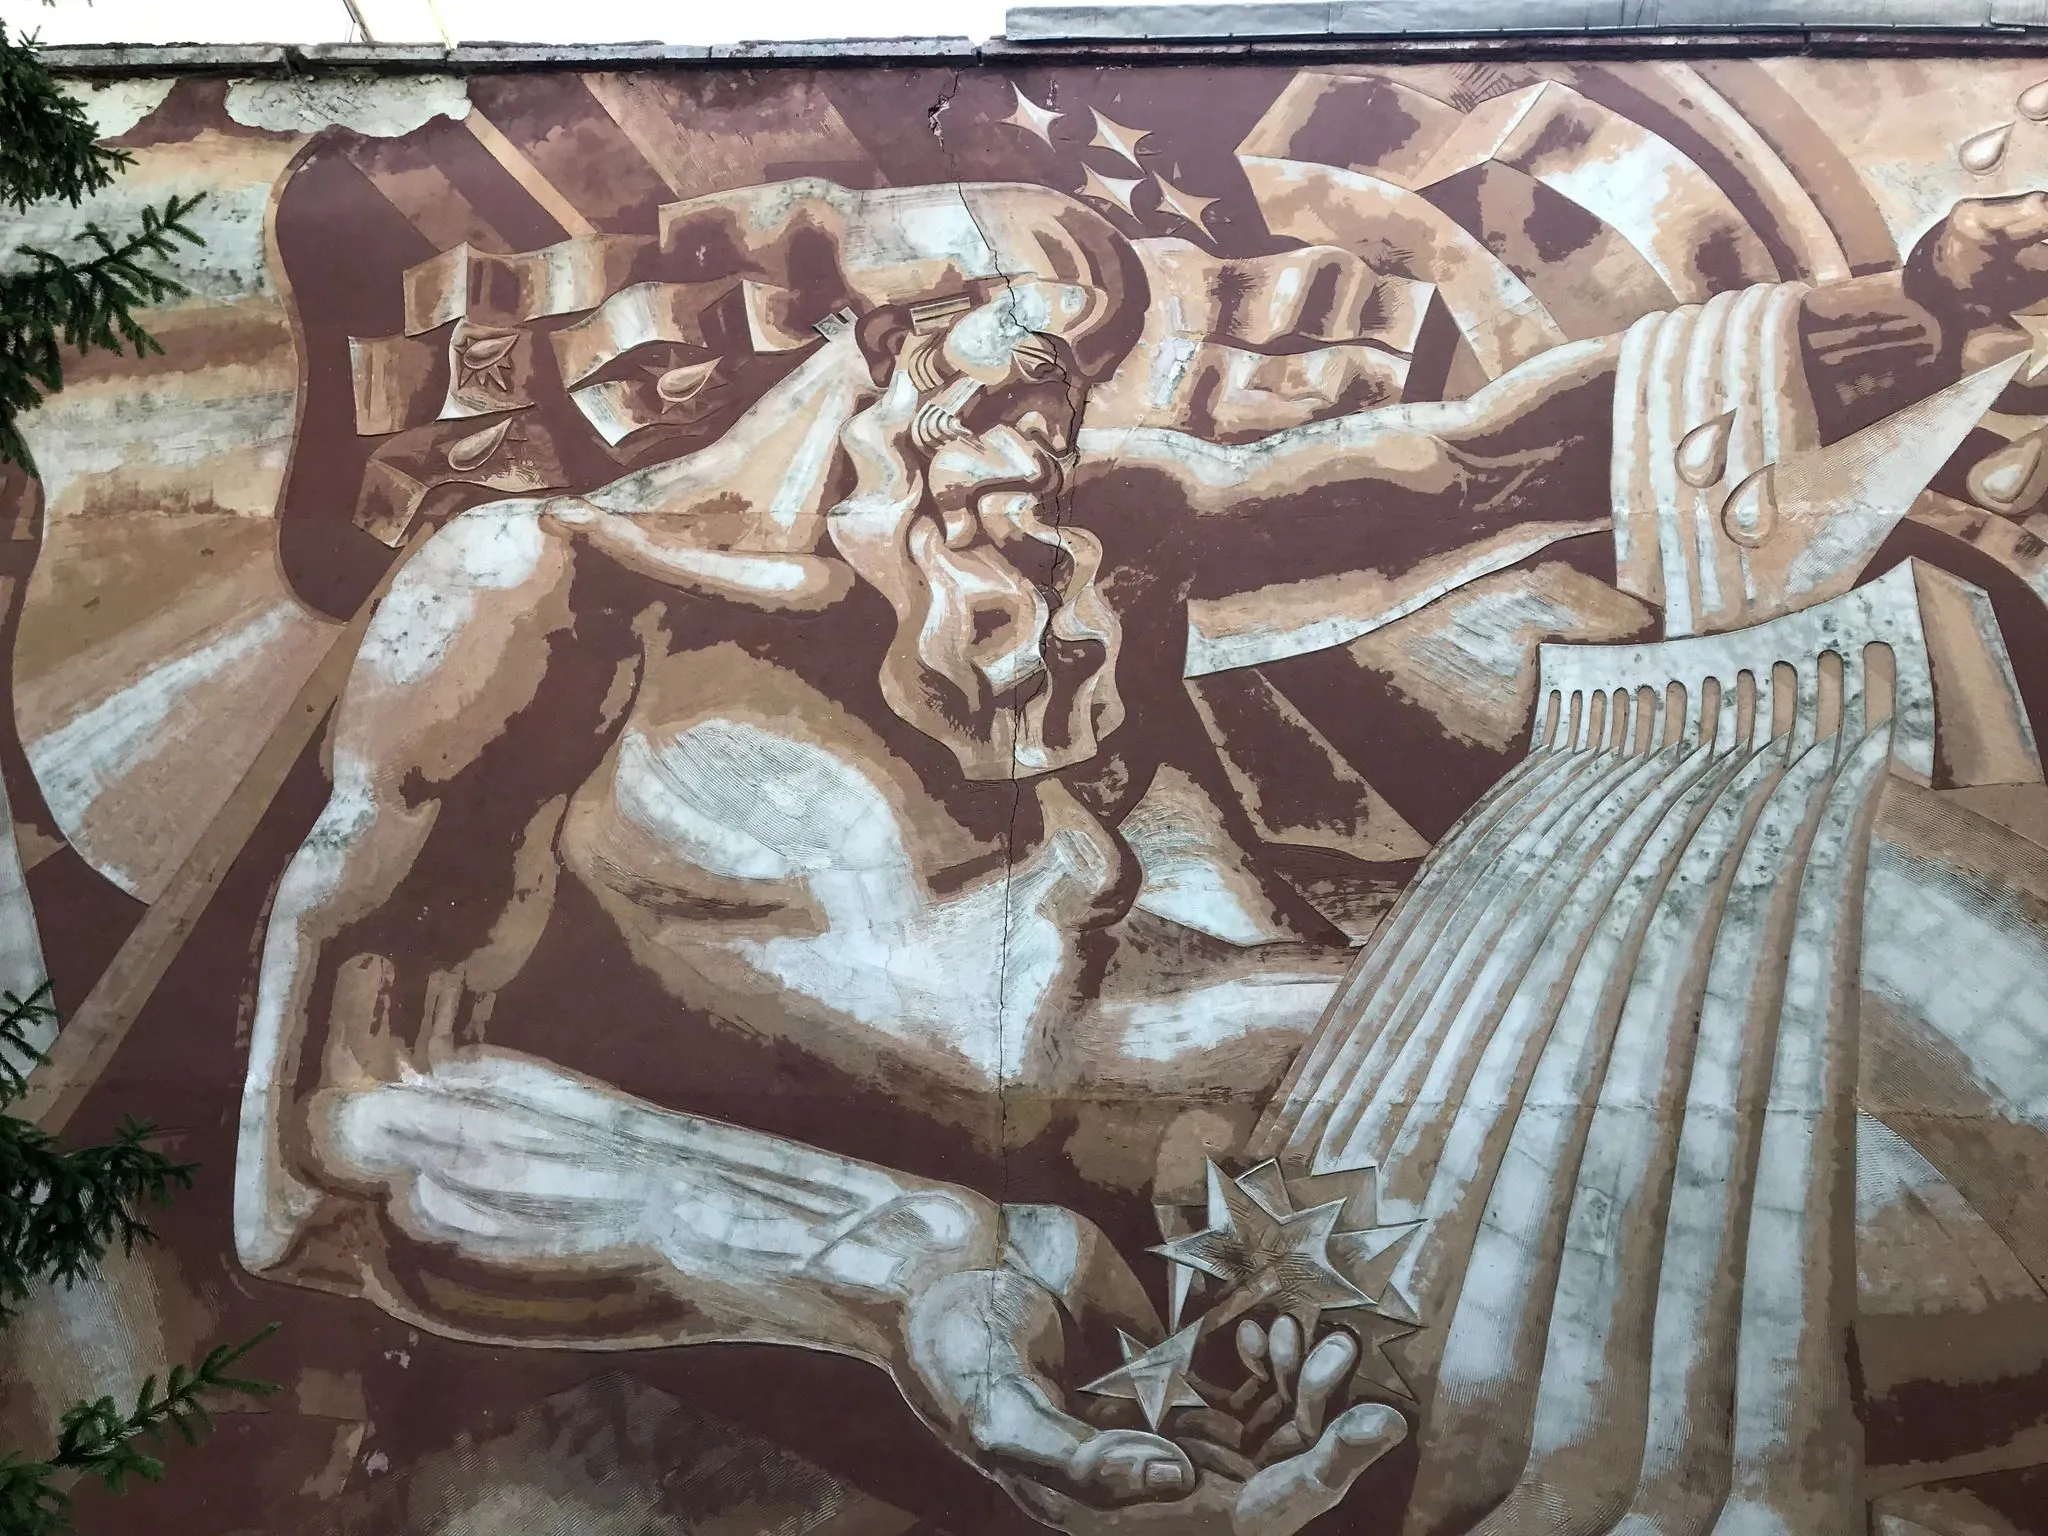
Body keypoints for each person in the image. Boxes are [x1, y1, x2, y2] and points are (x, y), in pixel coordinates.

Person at [234, 175, 2048, 1534]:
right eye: (995, 362)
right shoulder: (540, 595)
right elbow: (335, 1118)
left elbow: (1473, 464)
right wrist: (898, 1261)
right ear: (833, 357)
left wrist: (1917, 310)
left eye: (1067, 379)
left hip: (1468, 1040)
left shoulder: (1108, 535)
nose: (1041, 435)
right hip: (1352, 1250)